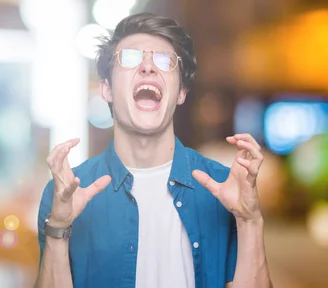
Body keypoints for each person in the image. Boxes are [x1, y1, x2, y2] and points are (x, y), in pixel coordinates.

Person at [34, 13, 272, 288]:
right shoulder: (64, 193)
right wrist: (59, 228)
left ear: (181, 92)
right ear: (107, 89)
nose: (148, 67)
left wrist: (249, 220)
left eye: (164, 60)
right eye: (131, 58)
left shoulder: (223, 186)